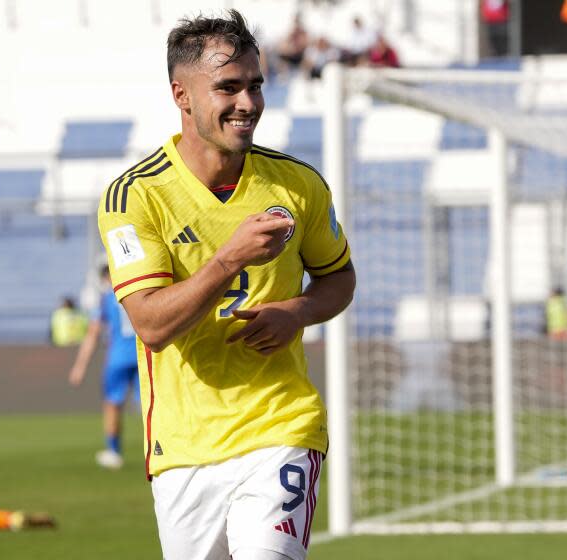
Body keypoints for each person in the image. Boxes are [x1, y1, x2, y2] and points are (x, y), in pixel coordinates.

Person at [97, 10, 355, 560]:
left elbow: (339, 278)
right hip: (184, 449)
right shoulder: (134, 198)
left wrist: (297, 313)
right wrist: (229, 259)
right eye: (228, 87)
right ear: (182, 95)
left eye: (255, 85)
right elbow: (151, 324)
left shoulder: (298, 184)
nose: (248, 103)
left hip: (280, 427)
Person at [68, 265, 140, 470]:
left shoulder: (108, 299)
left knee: (112, 403)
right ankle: (157, 449)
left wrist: (79, 367)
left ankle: (114, 452)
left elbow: (93, 333)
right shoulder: (138, 290)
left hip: (118, 356)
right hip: (144, 354)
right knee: (148, 406)